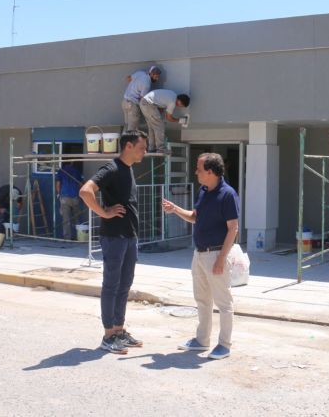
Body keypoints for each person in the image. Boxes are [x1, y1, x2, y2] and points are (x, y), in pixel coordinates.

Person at [162, 153, 239, 360]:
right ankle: (202, 340)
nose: (195, 172)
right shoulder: (204, 191)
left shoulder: (228, 194)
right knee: (202, 300)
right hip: (199, 254)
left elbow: (233, 229)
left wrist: (222, 259)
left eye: (199, 169)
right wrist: (175, 209)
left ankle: (224, 345)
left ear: (211, 172)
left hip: (216, 254)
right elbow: (195, 217)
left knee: (224, 303)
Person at [80, 130, 148, 354]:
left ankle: (119, 331)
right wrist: (104, 212)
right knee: (111, 286)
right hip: (114, 237)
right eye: (141, 148)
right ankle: (108, 335)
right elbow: (85, 191)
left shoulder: (127, 170)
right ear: (128, 146)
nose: (144, 152)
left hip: (129, 237)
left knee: (124, 285)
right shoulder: (111, 168)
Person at [122, 65, 162, 132]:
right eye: (156, 77)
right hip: (132, 105)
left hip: (124, 102)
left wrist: (135, 87)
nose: (157, 79)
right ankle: (129, 142)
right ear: (151, 74)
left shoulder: (140, 73)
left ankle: (123, 141)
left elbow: (128, 78)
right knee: (132, 130)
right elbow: (142, 100)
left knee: (127, 126)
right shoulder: (147, 84)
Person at [56, 162, 83, 240]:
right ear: (71, 164)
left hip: (64, 197)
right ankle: (79, 237)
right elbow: (81, 183)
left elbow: (58, 184)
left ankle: (67, 238)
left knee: (66, 219)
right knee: (77, 218)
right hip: (75, 197)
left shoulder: (61, 171)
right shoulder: (76, 171)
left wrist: (58, 194)